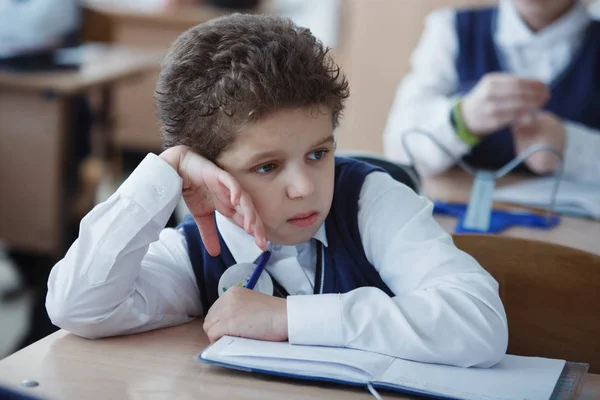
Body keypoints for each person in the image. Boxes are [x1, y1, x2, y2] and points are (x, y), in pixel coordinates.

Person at [46, 14, 507, 368]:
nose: (305, 187)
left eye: (318, 154)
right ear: (209, 173)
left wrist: (286, 319)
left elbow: (479, 323)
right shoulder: (193, 251)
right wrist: (166, 172)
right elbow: (78, 308)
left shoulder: (370, 199)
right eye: (267, 166)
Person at [383, 0, 600, 181]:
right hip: (458, 222)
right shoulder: (451, 28)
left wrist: (571, 147)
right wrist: (461, 119)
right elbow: (398, 146)